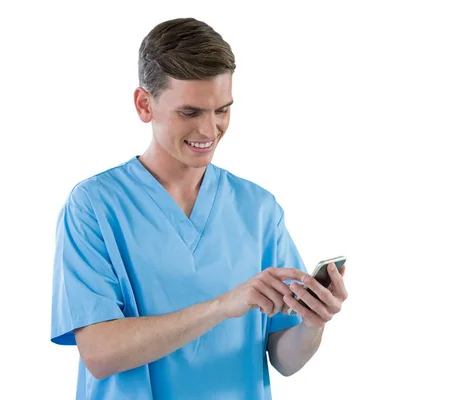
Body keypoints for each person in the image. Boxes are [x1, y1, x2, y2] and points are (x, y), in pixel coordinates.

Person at [49, 17, 348, 400]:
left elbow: (284, 359)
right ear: (145, 105)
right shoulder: (94, 206)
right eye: (190, 113)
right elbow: (100, 353)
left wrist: (312, 324)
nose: (210, 131)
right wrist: (224, 305)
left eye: (222, 110)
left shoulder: (258, 209)